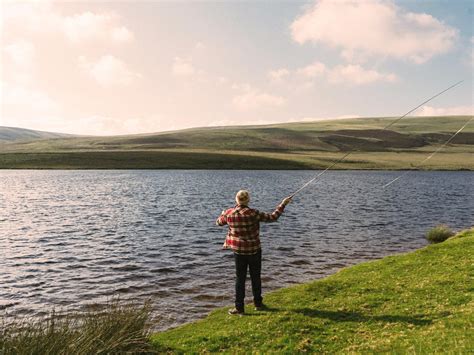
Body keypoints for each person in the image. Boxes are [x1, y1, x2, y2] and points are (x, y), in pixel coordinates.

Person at [216, 189, 291, 315]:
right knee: (256, 277)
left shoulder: (229, 213)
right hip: (254, 250)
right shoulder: (254, 213)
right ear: (248, 200)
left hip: (239, 251)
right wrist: (283, 204)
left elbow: (218, 223)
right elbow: (273, 217)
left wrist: (222, 215)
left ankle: (239, 308)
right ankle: (258, 304)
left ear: (236, 200)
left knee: (240, 279)